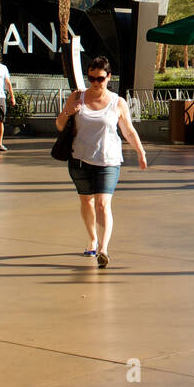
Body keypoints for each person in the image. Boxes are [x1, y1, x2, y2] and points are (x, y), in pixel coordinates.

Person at [55, 57, 148, 268]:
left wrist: (140, 152)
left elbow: (128, 131)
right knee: (86, 202)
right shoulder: (77, 97)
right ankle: (92, 239)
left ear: (109, 77)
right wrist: (71, 110)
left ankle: (103, 249)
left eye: (100, 78)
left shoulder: (118, 102)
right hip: (80, 159)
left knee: (103, 204)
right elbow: (60, 125)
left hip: (108, 161)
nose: (95, 83)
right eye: (91, 78)